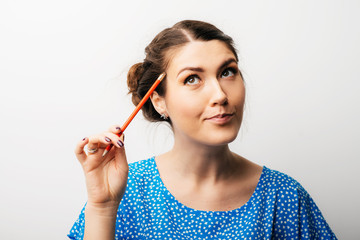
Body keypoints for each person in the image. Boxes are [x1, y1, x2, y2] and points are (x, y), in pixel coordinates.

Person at [68, 20, 337, 240]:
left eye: (227, 72)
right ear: (159, 99)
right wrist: (102, 208)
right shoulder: (127, 191)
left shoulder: (285, 196)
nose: (220, 94)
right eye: (192, 79)